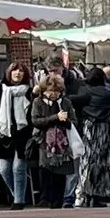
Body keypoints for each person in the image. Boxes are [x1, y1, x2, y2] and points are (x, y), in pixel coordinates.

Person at [70, 67, 110, 208]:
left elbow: (72, 101)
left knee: (86, 162)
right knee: (104, 161)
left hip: (88, 128)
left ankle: (82, 194)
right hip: (104, 128)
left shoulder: (84, 91)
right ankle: (101, 193)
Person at [28, 71, 75, 209]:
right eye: (50, 91)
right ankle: (45, 199)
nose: (53, 94)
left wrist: (66, 120)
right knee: (46, 171)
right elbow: (35, 121)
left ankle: (58, 200)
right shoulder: (38, 102)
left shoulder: (65, 102)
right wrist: (55, 118)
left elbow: (74, 121)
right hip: (44, 142)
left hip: (63, 144)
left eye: (56, 91)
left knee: (61, 173)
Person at [0, 74, 33, 207]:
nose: (17, 73)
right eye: (14, 70)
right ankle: (18, 195)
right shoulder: (1, 90)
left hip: (23, 133)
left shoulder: (28, 91)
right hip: (4, 134)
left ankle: (19, 201)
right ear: (9, 73)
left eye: (20, 71)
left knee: (18, 168)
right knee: (4, 169)